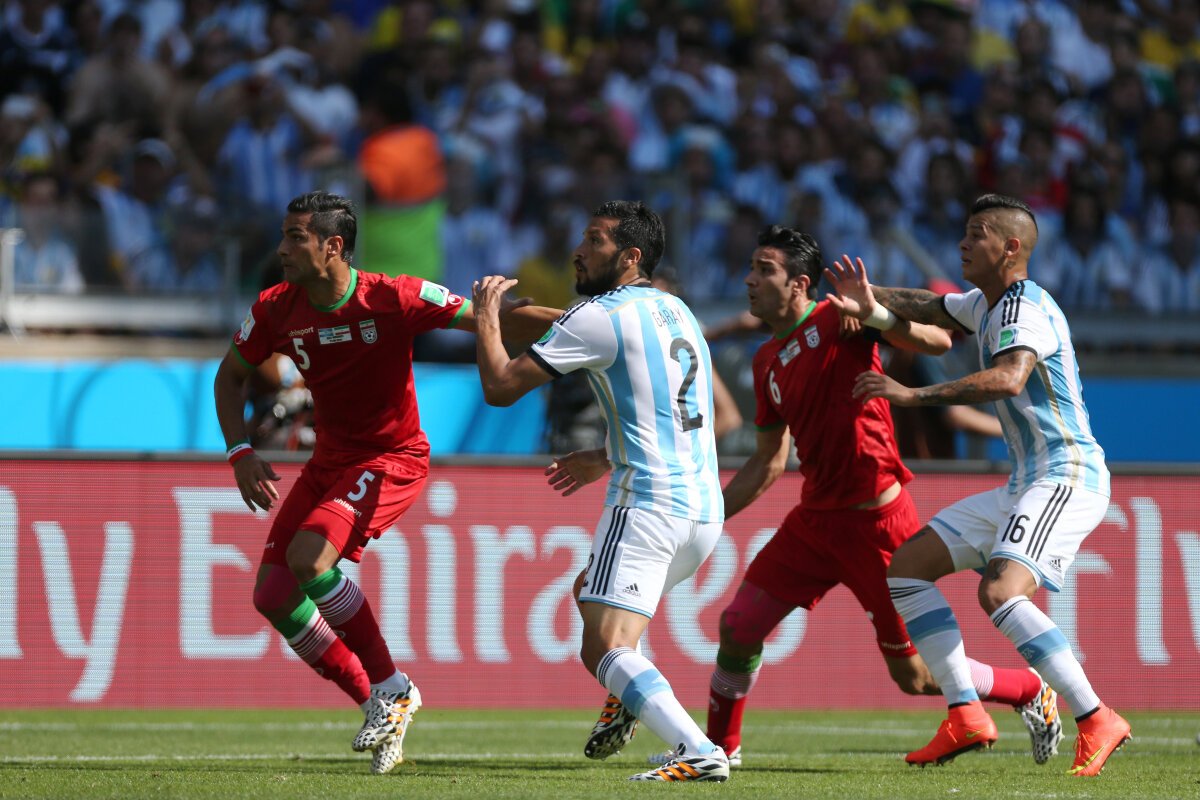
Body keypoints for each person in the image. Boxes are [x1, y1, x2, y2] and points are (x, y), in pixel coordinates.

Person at [648, 227, 1059, 770]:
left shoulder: (838, 317)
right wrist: (707, 515)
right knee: (737, 627)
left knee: (915, 678)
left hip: (878, 524)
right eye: (750, 268)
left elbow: (938, 342)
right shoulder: (765, 360)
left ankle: (1028, 689)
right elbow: (769, 461)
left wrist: (878, 316)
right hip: (814, 524)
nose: (749, 280)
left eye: (764, 269)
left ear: (799, 284)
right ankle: (719, 750)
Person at [213, 190, 556, 775]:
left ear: (333, 245)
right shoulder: (275, 307)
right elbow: (230, 377)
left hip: (390, 459)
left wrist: (599, 324)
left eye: (295, 237)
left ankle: (392, 686)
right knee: (272, 594)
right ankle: (379, 703)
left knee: (309, 559)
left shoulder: (393, 296)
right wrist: (240, 450)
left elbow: (497, 317)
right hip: (330, 460)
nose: (282, 249)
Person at [834, 193, 1130, 776]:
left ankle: (1096, 716)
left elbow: (1009, 378)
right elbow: (934, 307)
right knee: (908, 568)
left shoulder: (1025, 308)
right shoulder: (988, 303)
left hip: (1066, 474)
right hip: (1027, 481)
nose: (963, 243)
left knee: (999, 592)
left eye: (977, 234)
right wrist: (870, 299)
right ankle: (966, 713)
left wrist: (912, 395)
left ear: (1011, 247)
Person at [472, 200, 731, 783]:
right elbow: (669, 409)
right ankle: (635, 698)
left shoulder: (599, 317)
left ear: (630, 256)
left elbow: (500, 387)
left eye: (594, 240)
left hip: (647, 505)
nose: (579, 250)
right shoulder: (676, 309)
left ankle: (697, 750)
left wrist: (486, 314)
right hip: (702, 512)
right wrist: (603, 455)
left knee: (603, 647)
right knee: (590, 591)